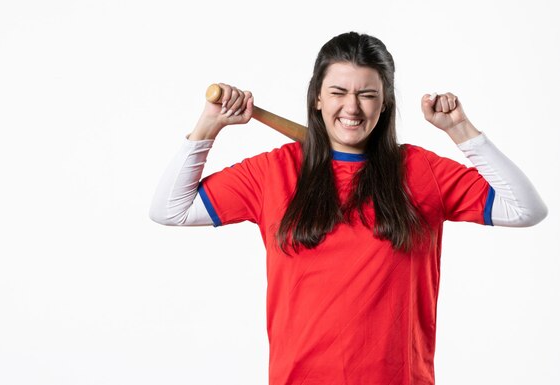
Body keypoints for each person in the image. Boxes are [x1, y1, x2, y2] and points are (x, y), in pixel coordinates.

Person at [149, 31, 547, 385]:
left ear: (385, 103)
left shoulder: (420, 171)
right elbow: (170, 209)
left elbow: (526, 208)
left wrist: (460, 129)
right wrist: (208, 125)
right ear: (317, 97)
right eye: (338, 92)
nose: (352, 108)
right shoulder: (275, 171)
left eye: (367, 94)